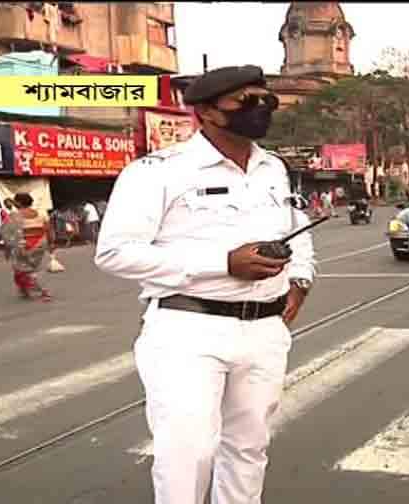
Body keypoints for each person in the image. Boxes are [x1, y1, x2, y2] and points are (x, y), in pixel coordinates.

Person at [94, 65, 316, 504]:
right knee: (189, 453)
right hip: (188, 329)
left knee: (249, 448)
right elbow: (114, 252)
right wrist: (223, 263)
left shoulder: (273, 168)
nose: (260, 108)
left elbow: (298, 227)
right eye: (244, 101)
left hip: (265, 331)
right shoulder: (157, 171)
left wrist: (301, 278)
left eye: (265, 99)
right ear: (207, 112)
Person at [0, 193, 53, 301]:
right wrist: (51, 244)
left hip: (23, 246)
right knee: (32, 268)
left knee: (21, 269)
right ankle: (25, 290)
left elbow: (5, 232)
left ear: (18, 202)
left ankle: (40, 291)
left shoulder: (14, 216)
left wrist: (4, 245)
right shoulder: (41, 214)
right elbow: (48, 230)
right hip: (39, 245)